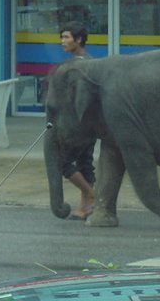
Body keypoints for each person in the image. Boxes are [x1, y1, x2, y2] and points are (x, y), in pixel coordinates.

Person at [57, 21, 96, 219]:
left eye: (66, 37)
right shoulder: (83, 63)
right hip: (88, 123)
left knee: (62, 162)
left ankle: (90, 195)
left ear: (78, 39)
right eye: (62, 37)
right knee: (84, 163)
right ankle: (85, 207)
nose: (62, 41)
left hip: (80, 124)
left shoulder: (82, 66)